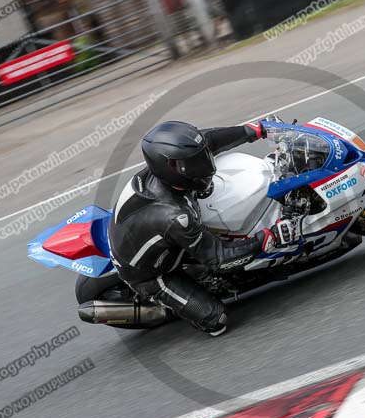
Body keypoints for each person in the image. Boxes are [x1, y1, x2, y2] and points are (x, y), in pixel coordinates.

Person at [108, 119, 301, 337]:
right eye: (194, 164)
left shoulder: (167, 169)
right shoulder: (173, 216)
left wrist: (254, 130)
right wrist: (269, 237)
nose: (205, 165)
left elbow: (209, 139)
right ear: (170, 168)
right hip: (151, 274)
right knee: (217, 321)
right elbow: (219, 259)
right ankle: (165, 303)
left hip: (143, 230)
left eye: (201, 158)